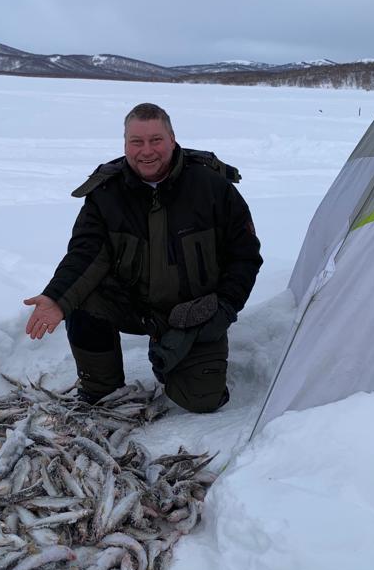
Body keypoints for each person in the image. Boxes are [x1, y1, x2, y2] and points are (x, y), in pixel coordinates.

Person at [23, 102, 262, 412]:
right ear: (125, 145)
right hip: (131, 306)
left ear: (172, 140)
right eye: (136, 142)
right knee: (80, 297)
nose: (146, 150)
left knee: (203, 400)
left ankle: (178, 357)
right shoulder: (106, 193)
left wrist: (223, 309)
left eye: (156, 140)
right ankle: (100, 388)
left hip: (193, 312)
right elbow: (85, 255)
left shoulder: (213, 186)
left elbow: (245, 256)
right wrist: (57, 297)